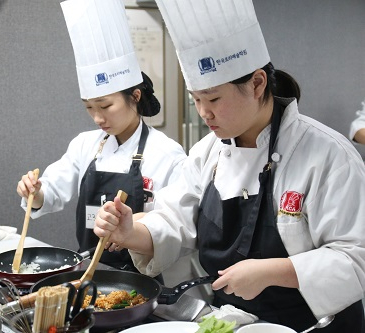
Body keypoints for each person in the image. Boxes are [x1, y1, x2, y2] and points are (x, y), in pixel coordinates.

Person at [94, 0, 365, 332]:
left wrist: (271, 272)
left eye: (214, 99)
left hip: (314, 325)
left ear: (257, 84)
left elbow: (355, 258)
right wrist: (131, 232)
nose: (203, 113)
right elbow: (175, 220)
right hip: (233, 323)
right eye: (196, 99)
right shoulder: (207, 152)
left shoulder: (327, 154)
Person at [17, 0, 186, 273]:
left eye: (105, 106)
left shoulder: (167, 154)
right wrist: (35, 193)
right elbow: (52, 191)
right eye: (89, 108)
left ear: (135, 96)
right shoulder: (85, 145)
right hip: (89, 272)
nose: (98, 118)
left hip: (147, 277)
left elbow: (177, 225)